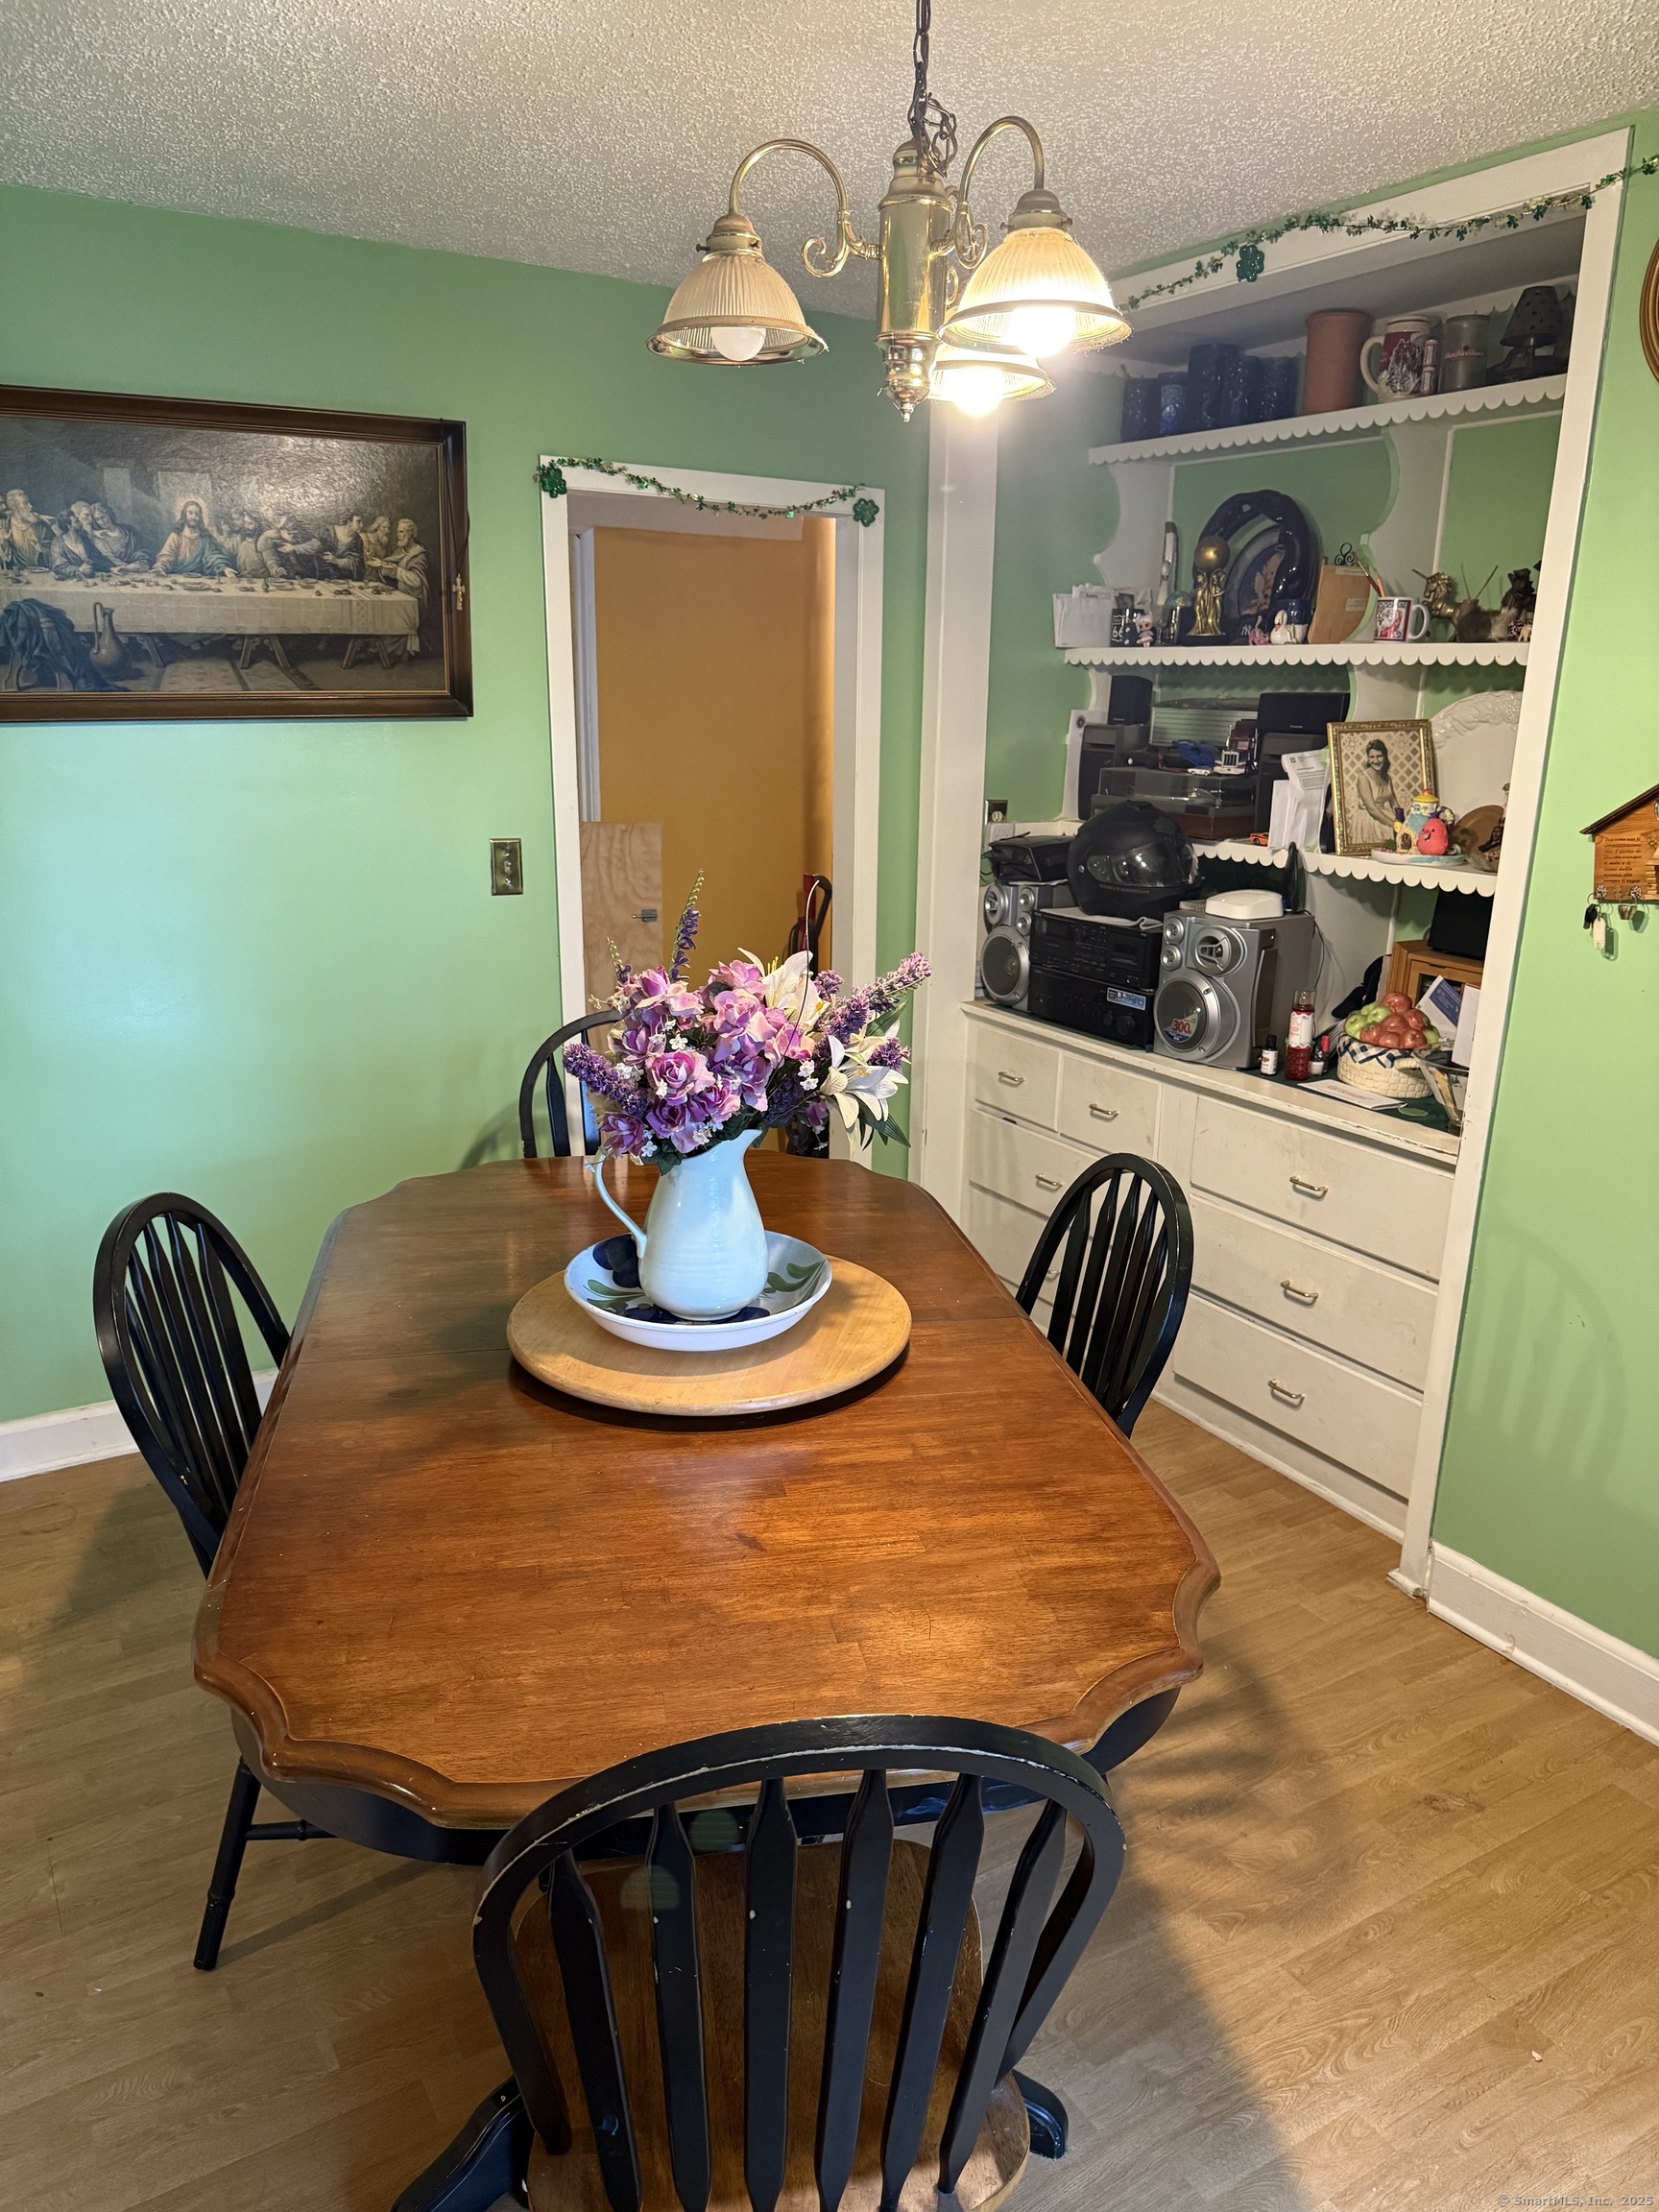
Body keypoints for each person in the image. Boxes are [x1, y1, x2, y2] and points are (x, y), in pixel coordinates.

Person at [369, 517, 428, 656]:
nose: (397, 535)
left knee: (390, 618)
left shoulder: (418, 554)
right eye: (398, 532)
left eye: (401, 532)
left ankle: (392, 652)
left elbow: (416, 580)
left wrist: (395, 571)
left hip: (413, 600)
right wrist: (382, 565)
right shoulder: (401, 551)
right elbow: (391, 567)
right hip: (402, 596)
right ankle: (379, 649)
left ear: (410, 534)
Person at [153, 497, 232, 577]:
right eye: (190, 513)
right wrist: (161, 567)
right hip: (177, 576)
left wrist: (224, 568)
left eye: (197, 514)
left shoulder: (204, 538)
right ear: (184, 514)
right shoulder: (176, 536)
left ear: (200, 517)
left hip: (199, 578)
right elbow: (167, 556)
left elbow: (213, 557)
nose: (193, 517)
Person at [1349, 736, 1402, 851]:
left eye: (1379, 756)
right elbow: (1372, 809)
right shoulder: (1363, 777)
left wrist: (1402, 821)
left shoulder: (1387, 778)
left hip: (1384, 815)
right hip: (1368, 819)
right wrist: (1393, 825)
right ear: (1367, 759)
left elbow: (1394, 803)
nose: (1376, 761)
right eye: (1372, 757)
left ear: (1385, 757)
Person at [4, 488, 55, 569]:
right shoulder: (5, 526)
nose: (31, 506)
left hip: (41, 576)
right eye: (26, 503)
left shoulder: (41, 527)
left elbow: (57, 555)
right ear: (15, 508)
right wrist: (4, 543)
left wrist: (41, 548)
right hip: (17, 576)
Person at [87, 501, 147, 569]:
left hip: (136, 564)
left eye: (103, 517)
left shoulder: (127, 530)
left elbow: (139, 550)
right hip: (119, 568)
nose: (102, 522)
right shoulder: (99, 538)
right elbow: (109, 558)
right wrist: (126, 567)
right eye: (97, 519)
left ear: (109, 515)